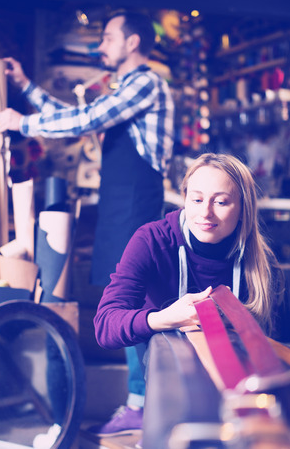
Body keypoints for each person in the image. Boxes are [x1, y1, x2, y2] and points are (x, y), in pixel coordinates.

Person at [0, 10, 175, 439]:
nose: (101, 46)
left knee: (136, 302)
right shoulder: (125, 90)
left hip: (135, 206)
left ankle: (142, 402)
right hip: (119, 207)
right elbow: (79, 118)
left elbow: (86, 120)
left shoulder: (146, 84)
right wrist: (26, 88)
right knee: (125, 298)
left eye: (109, 37)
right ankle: (140, 400)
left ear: (133, 42)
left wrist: (22, 123)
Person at [93, 152, 290, 441]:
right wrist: (164, 318)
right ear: (184, 197)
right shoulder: (152, 241)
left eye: (221, 202)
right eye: (197, 199)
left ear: (243, 208)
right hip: (174, 390)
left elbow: (279, 344)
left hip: (243, 395)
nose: (205, 213)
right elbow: (105, 326)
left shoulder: (261, 264)